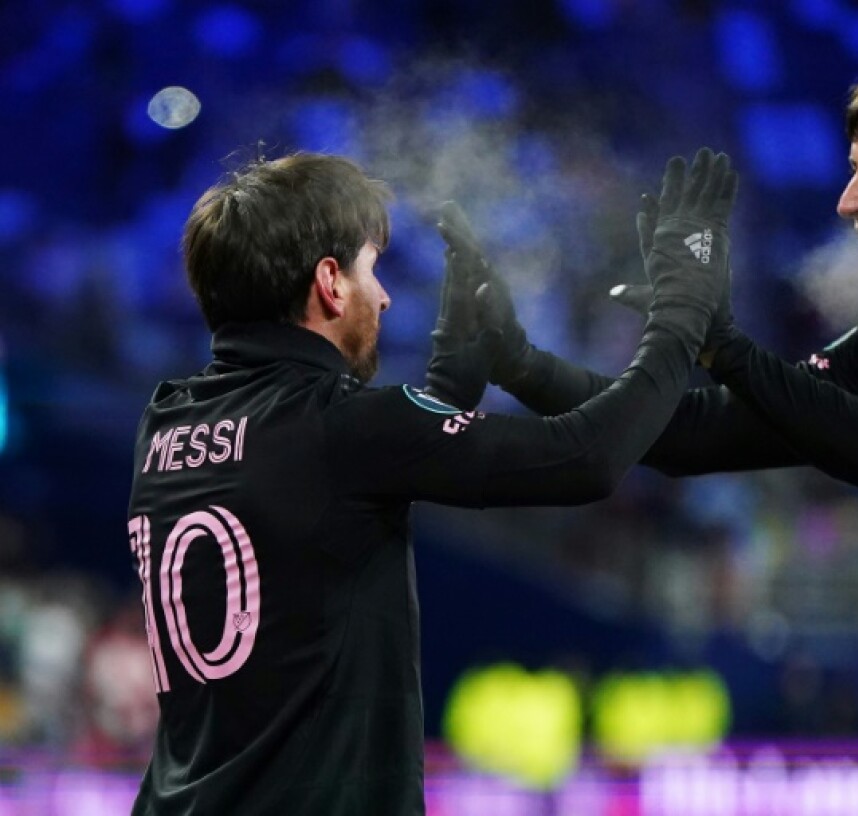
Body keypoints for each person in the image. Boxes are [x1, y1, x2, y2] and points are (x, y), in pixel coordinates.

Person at [442, 56, 858, 814]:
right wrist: (523, 365)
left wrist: (726, 345)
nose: (848, 201)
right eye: (852, 172)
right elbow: (684, 436)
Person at [124, 147, 737, 814]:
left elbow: (336, 486)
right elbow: (586, 457)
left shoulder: (166, 423)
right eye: (371, 268)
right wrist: (681, 314)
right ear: (330, 281)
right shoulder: (345, 428)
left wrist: (455, 367)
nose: (384, 296)